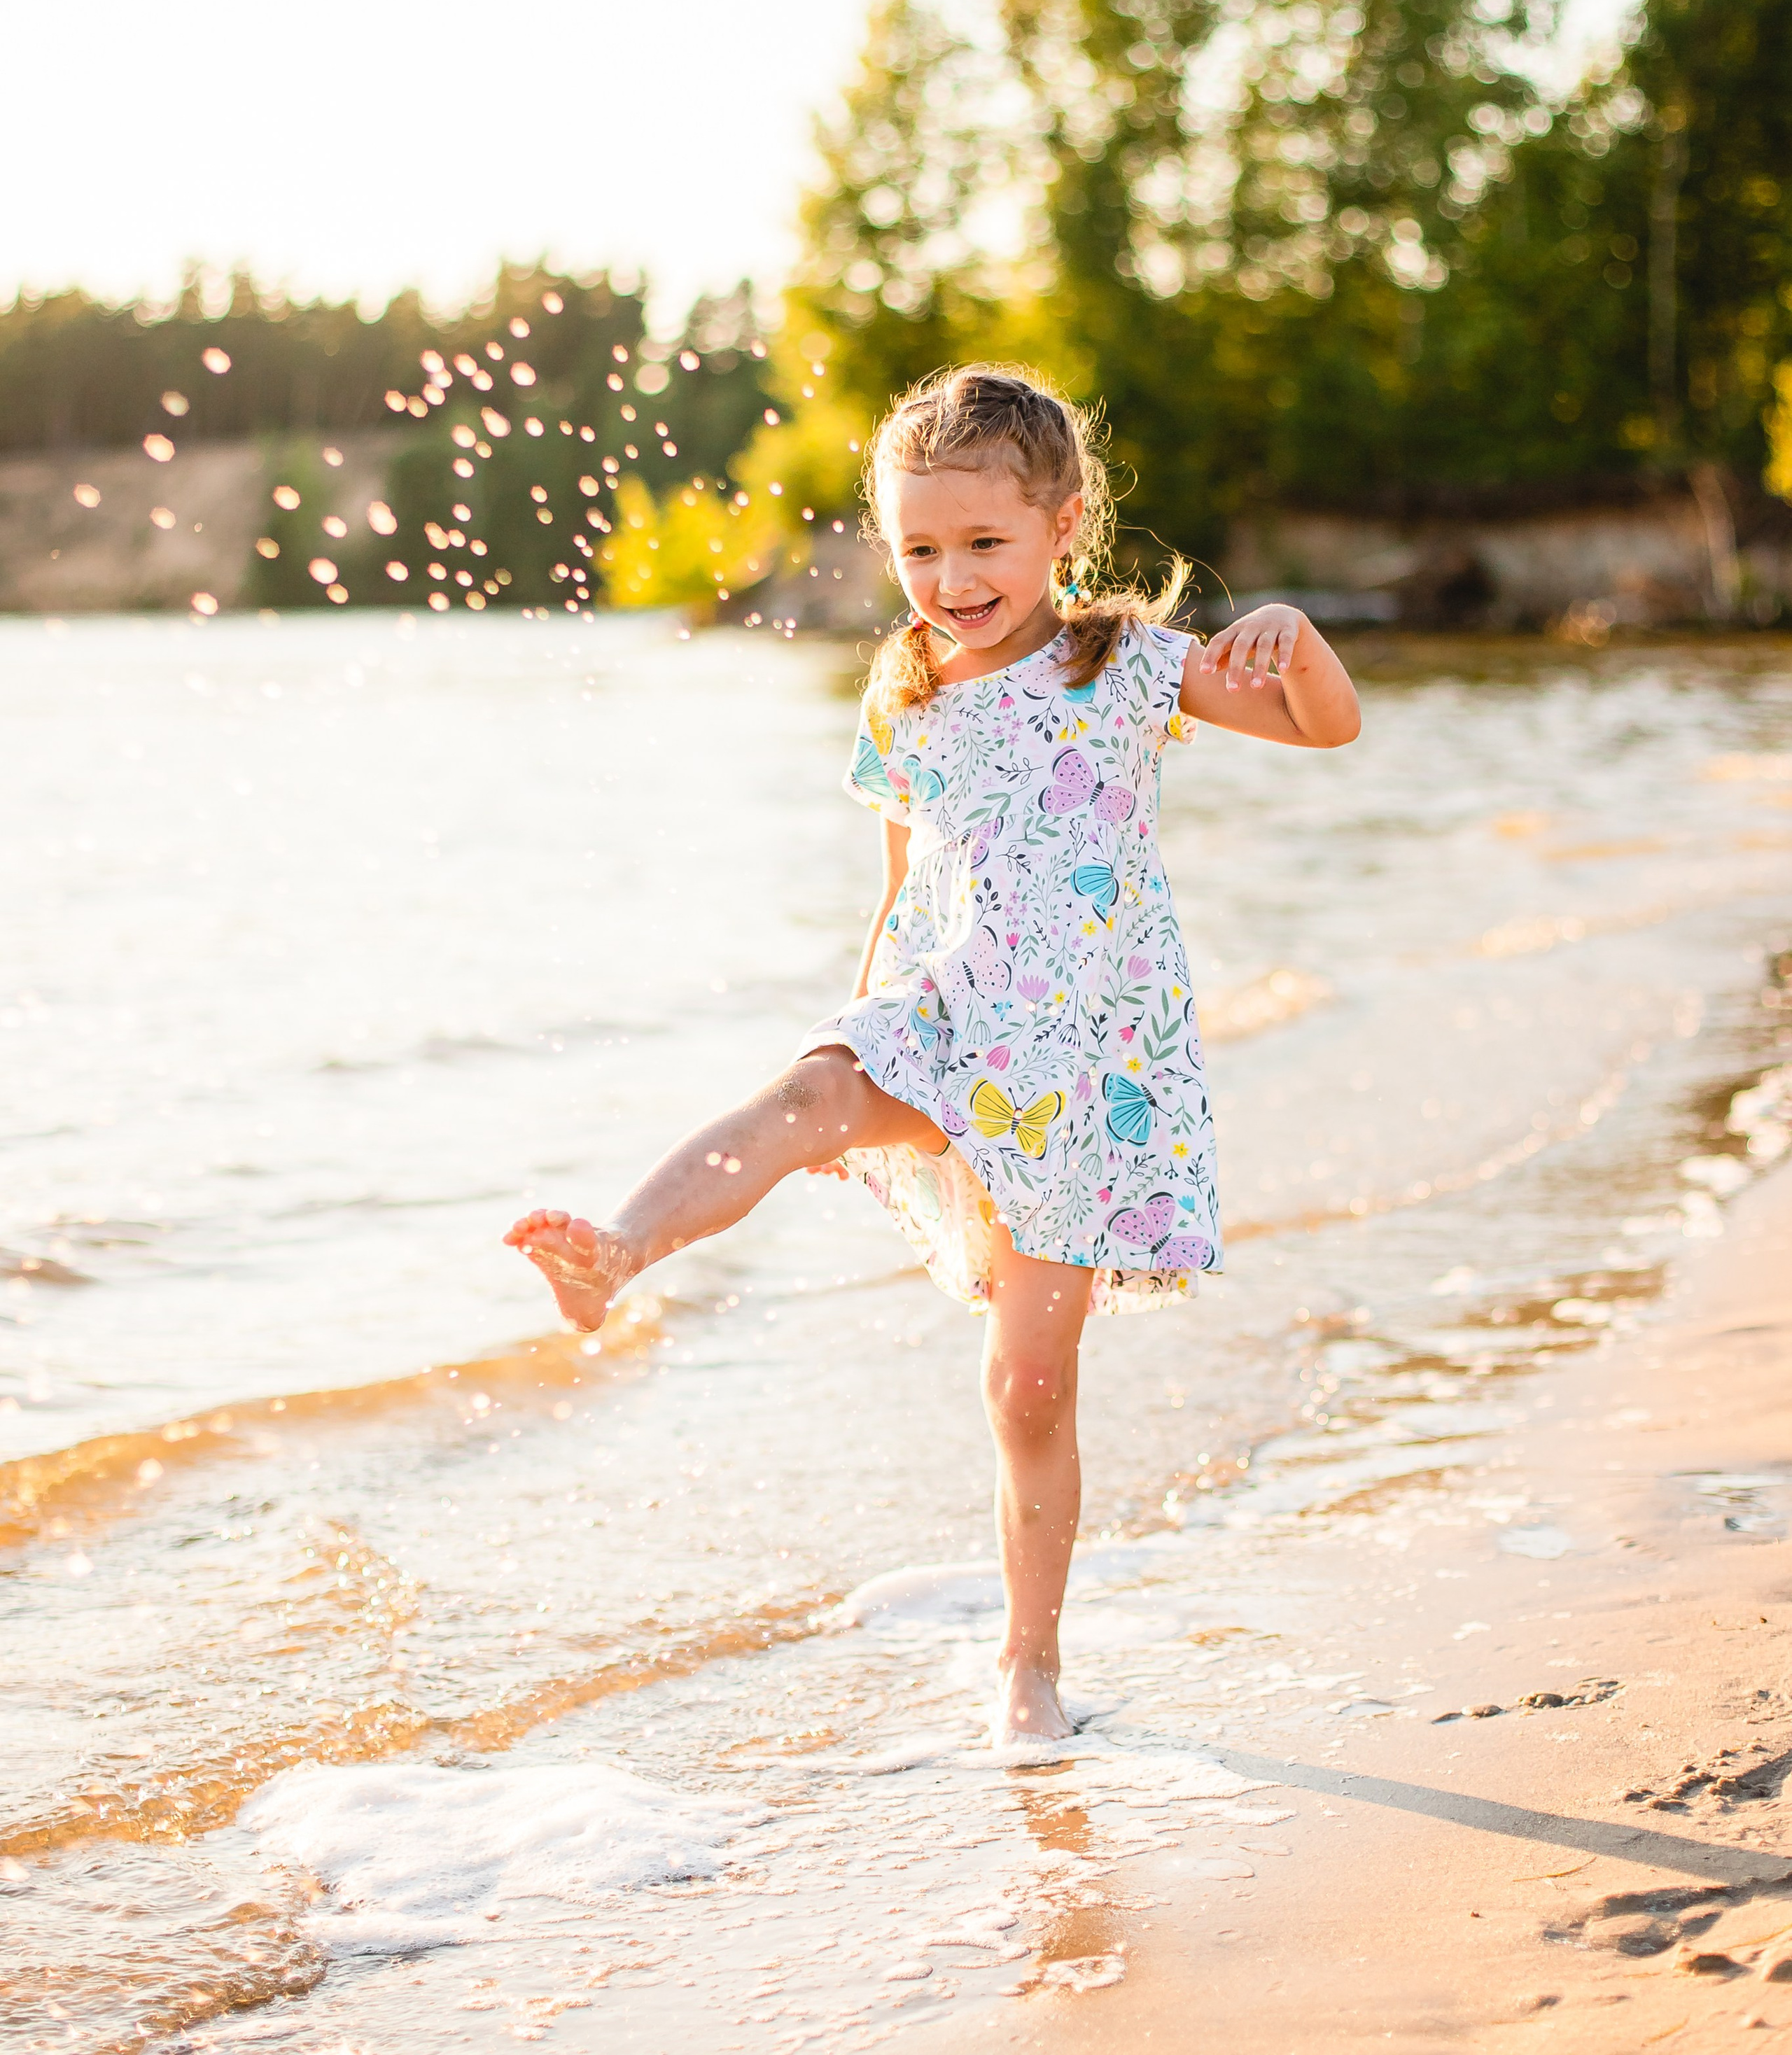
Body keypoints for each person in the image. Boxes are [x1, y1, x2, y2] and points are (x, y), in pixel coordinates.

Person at [505, 365, 1361, 1746]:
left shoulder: (1128, 664)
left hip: (1084, 1061)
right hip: (941, 1017)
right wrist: (855, 1040)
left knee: (1027, 1388)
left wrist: (1286, 635)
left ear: (1062, 528)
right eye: (917, 549)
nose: (949, 579)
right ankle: (615, 1250)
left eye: (981, 545)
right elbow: (903, 878)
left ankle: (1029, 1662)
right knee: (799, 1096)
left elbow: (1327, 724)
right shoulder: (902, 687)